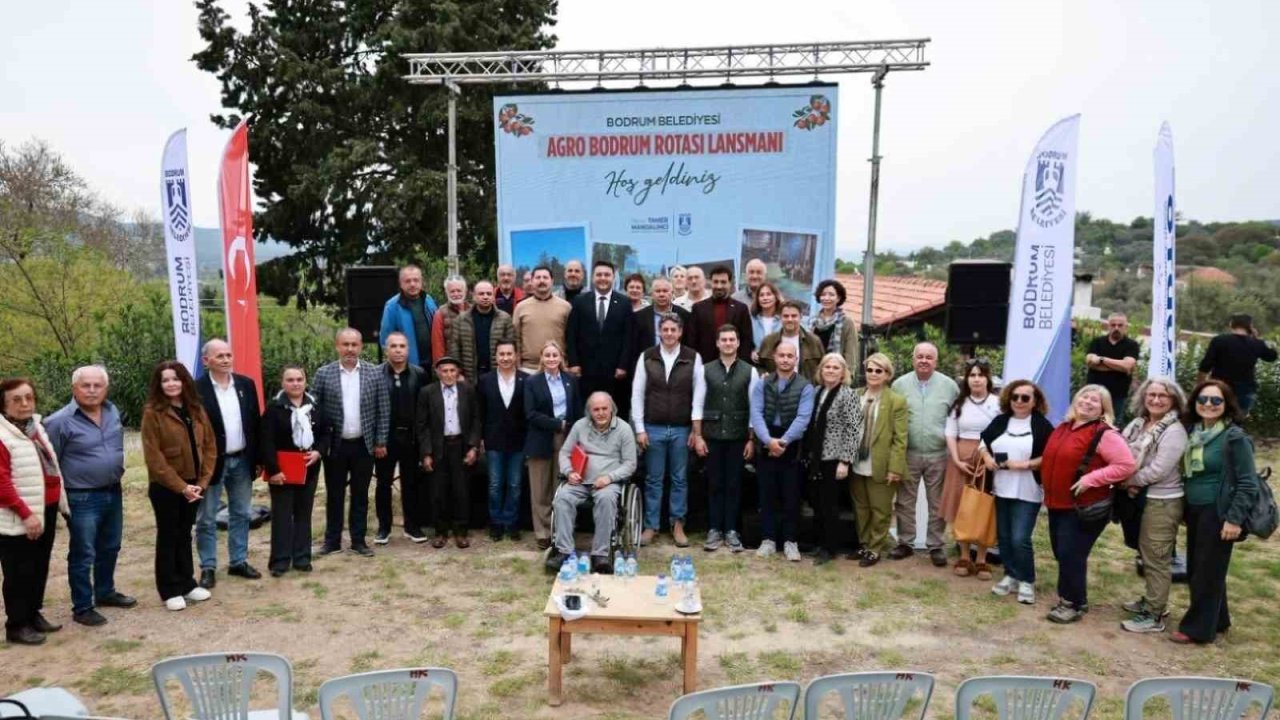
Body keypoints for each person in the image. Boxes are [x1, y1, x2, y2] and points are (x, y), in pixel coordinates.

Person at [44, 366, 136, 627]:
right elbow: (51, 464)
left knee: (110, 545)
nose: (92, 390)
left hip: (113, 490)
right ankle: (83, 606)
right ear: (75, 388)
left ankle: (105, 591)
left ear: (106, 388)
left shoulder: (112, 411)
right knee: (84, 552)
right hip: (81, 497)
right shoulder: (58, 421)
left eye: (98, 385)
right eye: (86, 385)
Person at [1170, 380, 1258, 644]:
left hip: (1218, 512)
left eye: (1216, 400)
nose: (1209, 404)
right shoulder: (1194, 432)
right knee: (1205, 567)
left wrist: (1234, 518)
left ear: (1227, 404)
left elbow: (1248, 482)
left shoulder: (1234, 437)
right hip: (1196, 510)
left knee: (1206, 570)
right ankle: (1218, 619)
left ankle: (1198, 629)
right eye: (1203, 399)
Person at [1039, 385, 1136, 623]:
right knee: (1063, 553)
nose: (1088, 401)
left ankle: (1069, 603)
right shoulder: (1063, 427)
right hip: (1057, 503)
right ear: (1076, 399)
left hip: (1083, 507)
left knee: (1070, 553)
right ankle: (1078, 599)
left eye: (1096, 400)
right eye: (1085, 396)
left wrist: (1092, 478)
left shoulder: (1105, 434)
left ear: (1103, 408)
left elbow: (1126, 465)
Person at [140, 362, 216, 612]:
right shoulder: (153, 412)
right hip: (167, 487)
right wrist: (181, 486)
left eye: (176, 379)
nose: (171, 384)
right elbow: (154, 457)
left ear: (184, 381)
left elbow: (209, 447)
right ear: (159, 385)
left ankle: (187, 583)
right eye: (165, 380)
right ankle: (169, 589)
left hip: (195, 485)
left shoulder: (196, 408)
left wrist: (202, 483)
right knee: (169, 535)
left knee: (185, 533)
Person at [0, 379, 69, 644]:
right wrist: (25, 513)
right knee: (19, 571)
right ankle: (17, 624)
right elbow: (2, 482)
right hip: (20, 514)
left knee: (39, 566)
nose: (25, 403)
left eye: (29, 397)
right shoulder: (3, 435)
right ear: (4, 404)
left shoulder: (34, 427)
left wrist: (60, 502)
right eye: (16, 399)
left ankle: (33, 613)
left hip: (46, 508)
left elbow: (50, 467)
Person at [1118, 378, 1189, 633]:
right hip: (1140, 497)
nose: (1156, 400)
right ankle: (1152, 600)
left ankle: (1154, 615)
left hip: (1162, 501)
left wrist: (1126, 481)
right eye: (1152, 395)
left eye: (1163, 396)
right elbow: (1121, 450)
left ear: (1174, 401)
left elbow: (1158, 470)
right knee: (1146, 553)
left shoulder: (1174, 431)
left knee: (1157, 556)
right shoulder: (1138, 425)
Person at [312, 328, 390, 557]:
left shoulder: (374, 373)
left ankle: (358, 540)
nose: (349, 349)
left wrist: (381, 441)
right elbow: (314, 411)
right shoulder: (323, 374)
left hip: (363, 445)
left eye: (354, 344)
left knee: (360, 494)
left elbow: (383, 410)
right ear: (337, 346)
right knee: (334, 494)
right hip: (335, 445)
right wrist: (319, 444)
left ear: (361, 347)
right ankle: (332, 540)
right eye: (345, 344)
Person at [193, 338, 263, 589]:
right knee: (206, 517)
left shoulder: (246, 384)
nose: (225, 359)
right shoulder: (195, 389)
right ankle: (208, 566)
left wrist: (258, 459)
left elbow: (254, 423)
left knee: (242, 513)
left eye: (228, 355)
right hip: (211, 464)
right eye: (219, 355)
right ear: (206, 361)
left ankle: (238, 561)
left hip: (243, 459)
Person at [632, 313, 705, 547]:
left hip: (682, 429)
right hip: (653, 427)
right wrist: (640, 428)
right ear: (659, 331)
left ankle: (677, 524)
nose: (669, 334)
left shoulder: (692, 357)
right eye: (665, 329)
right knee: (653, 479)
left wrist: (696, 429)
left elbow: (699, 395)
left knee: (679, 479)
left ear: (680, 332)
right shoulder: (647, 357)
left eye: (674, 330)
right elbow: (637, 393)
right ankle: (651, 526)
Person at [547, 392, 638, 574]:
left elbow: (630, 464)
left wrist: (609, 478)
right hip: (580, 480)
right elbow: (564, 453)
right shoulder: (580, 426)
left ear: (612, 409)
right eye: (596, 409)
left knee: (606, 500)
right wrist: (569, 471)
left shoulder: (624, 429)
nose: (601, 413)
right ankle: (564, 551)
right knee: (562, 498)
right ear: (590, 411)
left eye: (604, 408)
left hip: (607, 483)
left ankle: (600, 555)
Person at [981, 380, 1054, 605]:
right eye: (1015, 397)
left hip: (1028, 489)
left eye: (1025, 398)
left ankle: (1026, 580)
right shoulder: (1001, 420)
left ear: (1035, 401)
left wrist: (1025, 465)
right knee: (1003, 537)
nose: (1019, 402)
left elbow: (1051, 455)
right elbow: (983, 441)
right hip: (1002, 487)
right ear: (1008, 399)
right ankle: (1011, 575)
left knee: (1020, 538)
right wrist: (987, 458)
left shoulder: (1042, 425)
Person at [889, 342, 960, 566]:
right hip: (908, 452)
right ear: (913, 359)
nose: (924, 361)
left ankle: (936, 545)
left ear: (936, 362)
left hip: (938, 453)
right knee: (905, 501)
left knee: (937, 502)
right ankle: (905, 542)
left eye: (929, 357)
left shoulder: (949, 386)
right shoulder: (899, 384)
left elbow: (957, 418)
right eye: (920, 356)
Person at [694, 325, 758, 553]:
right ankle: (714, 529)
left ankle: (731, 530)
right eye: (724, 340)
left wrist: (751, 439)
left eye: (732, 339)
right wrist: (698, 435)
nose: (728, 343)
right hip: (711, 436)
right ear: (717, 343)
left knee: (734, 484)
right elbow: (697, 404)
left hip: (738, 436)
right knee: (714, 484)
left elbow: (754, 407)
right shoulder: (705, 370)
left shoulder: (750, 371)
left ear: (738, 343)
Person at [751, 342, 815, 561]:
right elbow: (756, 414)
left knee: (791, 496)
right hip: (766, 440)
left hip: (792, 443)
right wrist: (769, 441)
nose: (785, 359)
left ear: (796, 358)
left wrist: (784, 442)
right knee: (766, 494)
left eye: (790, 355)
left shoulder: (805, 386)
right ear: (775, 358)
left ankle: (790, 542)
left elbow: (803, 418)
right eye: (782, 355)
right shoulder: (763, 383)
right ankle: (768, 540)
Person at [259, 365, 326, 577]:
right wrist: (274, 470)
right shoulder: (274, 408)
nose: (295, 383)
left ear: (305, 382)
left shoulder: (315, 406)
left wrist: (318, 452)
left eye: (299, 379)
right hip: (282, 471)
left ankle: (302, 558)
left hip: (308, 468)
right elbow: (266, 441)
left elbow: (326, 433)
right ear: (283, 383)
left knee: (303, 515)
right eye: (290, 380)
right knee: (281, 515)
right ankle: (280, 561)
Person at [943, 359, 1001, 579]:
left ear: (988, 378)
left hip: (988, 459)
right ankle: (965, 555)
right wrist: (957, 460)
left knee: (985, 506)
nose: (976, 379)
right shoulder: (959, 404)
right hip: (961, 459)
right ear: (967, 379)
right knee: (962, 506)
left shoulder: (998, 403)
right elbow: (950, 432)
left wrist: (989, 457)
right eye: (972, 375)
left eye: (981, 375)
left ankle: (982, 557)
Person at [805, 354, 864, 565]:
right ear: (821, 370)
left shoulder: (848, 395)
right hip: (816, 456)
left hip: (835, 458)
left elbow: (854, 429)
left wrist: (845, 461)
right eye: (827, 367)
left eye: (835, 367)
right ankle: (819, 543)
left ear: (843, 372)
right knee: (817, 503)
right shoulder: (817, 392)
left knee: (830, 505)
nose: (830, 370)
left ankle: (830, 548)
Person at [849, 353, 908, 567]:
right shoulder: (855, 395)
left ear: (887, 375)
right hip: (856, 462)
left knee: (881, 510)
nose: (873, 374)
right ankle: (864, 544)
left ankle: (875, 549)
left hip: (881, 464)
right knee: (861, 508)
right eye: (870, 370)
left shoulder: (896, 401)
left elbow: (900, 439)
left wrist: (895, 468)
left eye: (878, 370)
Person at [416, 356, 481, 549]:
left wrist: (473, 446)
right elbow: (422, 425)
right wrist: (426, 453)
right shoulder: (427, 392)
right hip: (438, 447)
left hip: (461, 444)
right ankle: (441, 531)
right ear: (437, 373)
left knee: (461, 491)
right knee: (438, 491)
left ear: (458, 372)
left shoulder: (468, 390)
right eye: (444, 371)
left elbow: (476, 420)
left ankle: (461, 531)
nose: (449, 374)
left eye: (453, 370)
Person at [524, 341, 582, 550]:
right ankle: (543, 532)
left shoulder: (571, 380)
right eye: (547, 355)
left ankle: (561, 530)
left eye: (554, 355)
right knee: (540, 489)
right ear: (541, 358)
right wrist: (558, 423)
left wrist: (572, 430)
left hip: (566, 439)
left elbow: (577, 409)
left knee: (562, 487)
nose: (551, 359)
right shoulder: (532, 382)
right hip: (540, 438)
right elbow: (530, 414)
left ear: (561, 358)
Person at [373, 332, 429, 545]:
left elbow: (425, 410)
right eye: (393, 346)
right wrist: (378, 441)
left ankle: (412, 526)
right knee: (383, 484)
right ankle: (384, 528)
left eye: (402, 346)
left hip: (411, 438)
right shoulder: (376, 374)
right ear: (386, 349)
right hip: (385, 440)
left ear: (408, 349)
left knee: (411, 484)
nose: (398, 350)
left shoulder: (420, 374)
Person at [566, 260, 634, 410]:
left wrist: (623, 365)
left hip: (615, 372)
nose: (603, 278)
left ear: (613, 278)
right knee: (588, 410)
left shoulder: (624, 302)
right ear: (592, 277)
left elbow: (628, 337)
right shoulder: (580, 301)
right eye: (599, 274)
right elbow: (571, 334)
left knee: (615, 410)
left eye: (607, 275)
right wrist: (574, 363)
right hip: (586, 370)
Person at [477, 340, 527, 541]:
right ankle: (496, 523)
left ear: (515, 356)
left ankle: (511, 522)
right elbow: (480, 412)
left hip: (518, 440)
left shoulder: (526, 380)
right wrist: (480, 438)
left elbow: (528, 413)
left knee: (515, 484)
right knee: (495, 484)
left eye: (509, 354)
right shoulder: (485, 380)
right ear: (495, 357)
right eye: (501, 354)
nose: (505, 358)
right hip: (493, 440)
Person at [1197, 313, 1278, 415]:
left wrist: (1200, 386)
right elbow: (1272, 357)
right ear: (1250, 327)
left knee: (1216, 420)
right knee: (1237, 423)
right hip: (1245, 391)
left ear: (1231, 324)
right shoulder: (1256, 344)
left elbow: (1205, 365)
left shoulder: (1219, 340)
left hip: (1219, 388)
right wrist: (1257, 339)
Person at [448, 280, 514, 384]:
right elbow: (454, 348)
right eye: (481, 294)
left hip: (496, 376)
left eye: (489, 294)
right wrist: (457, 373)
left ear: (493, 296)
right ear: (474, 296)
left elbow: (512, 347)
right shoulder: (461, 319)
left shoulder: (505, 318)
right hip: (470, 376)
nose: (485, 297)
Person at [513, 265, 573, 374]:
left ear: (552, 281)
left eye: (545, 277)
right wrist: (517, 366)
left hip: (558, 367)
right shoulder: (521, 307)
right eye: (538, 277)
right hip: (529, 369)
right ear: (531, 281)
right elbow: (516, 339)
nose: (542, 281)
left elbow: (572, 339)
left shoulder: (565, 307)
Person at [689, 265, 754, 364]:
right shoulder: (698, 308)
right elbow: (692, 341)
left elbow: (746, 341)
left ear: (730, 284)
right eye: (716, 282)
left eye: (723, 282)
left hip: (735, 366)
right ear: (710, 282)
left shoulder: (741, 309)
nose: (719, 286)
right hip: (705, 366)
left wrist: (741, 365)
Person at [1084, 313, 1140, 426]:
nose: (1116, 328)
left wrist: (1101, 360)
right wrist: (1118, 366)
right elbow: (1090, 361)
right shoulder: (1097, 342)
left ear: (1126, 327)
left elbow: (1127, 366)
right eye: (1113, 325)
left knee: (1109, 425)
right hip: (1094, 394)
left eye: (1120, 325)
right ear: (1108, 326)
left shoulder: (1132, 345)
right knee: (1089, 423)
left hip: (1116, 396)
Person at [379, 264, 439, 369]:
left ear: (421, 282)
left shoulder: (429, 300)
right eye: (408, 281)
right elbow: (385, 339)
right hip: (407, 367)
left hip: (431, 364)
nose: (412, 284)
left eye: (416, 280)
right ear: (401, 284)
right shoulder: (392, 306)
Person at [628, 277, 691, 364]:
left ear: (672, 293)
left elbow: (689, 344)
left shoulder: (684, 315)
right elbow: (633, 347)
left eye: (665, 291)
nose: (661, 294)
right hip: (647, 365)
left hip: (678, 365)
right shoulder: (639, 317)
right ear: (651, 294)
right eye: (658, 291)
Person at [757, 300, 824, 380]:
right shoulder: (769, 341)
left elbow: (822, 367)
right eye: (786, 316)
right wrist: (764, 374)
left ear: (801, 316)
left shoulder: (813, 341)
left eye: (794, 316)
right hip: (775, 390)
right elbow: (759, 365)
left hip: (805, 390)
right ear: (780, 317)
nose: (790, 319)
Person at [809, 279, 860, 376]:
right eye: (823, 294)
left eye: (831, 295)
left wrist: (848, 375)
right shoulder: (813, 322)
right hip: (814, 373)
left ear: (838, 298)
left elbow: (850, 353)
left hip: (836, 374)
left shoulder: (847, 322)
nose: (826, 298)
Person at [430, 275, 470, 366]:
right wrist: (441, 367)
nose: (456, 294)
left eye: (459, 290)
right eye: (452, 291)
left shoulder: (473, 311)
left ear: (465, 291)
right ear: (446, 292)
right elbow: (438, 346)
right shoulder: (440, 314)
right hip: (451, 368)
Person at [748, 282, 783, 363]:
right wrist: (752, 352)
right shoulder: (751, 320)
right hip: (757, 366)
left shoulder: (784, 319)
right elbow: (746, 343)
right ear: (757, 299)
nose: (765, 298)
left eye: (769, 294)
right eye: (761, 295)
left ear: (776, 297)